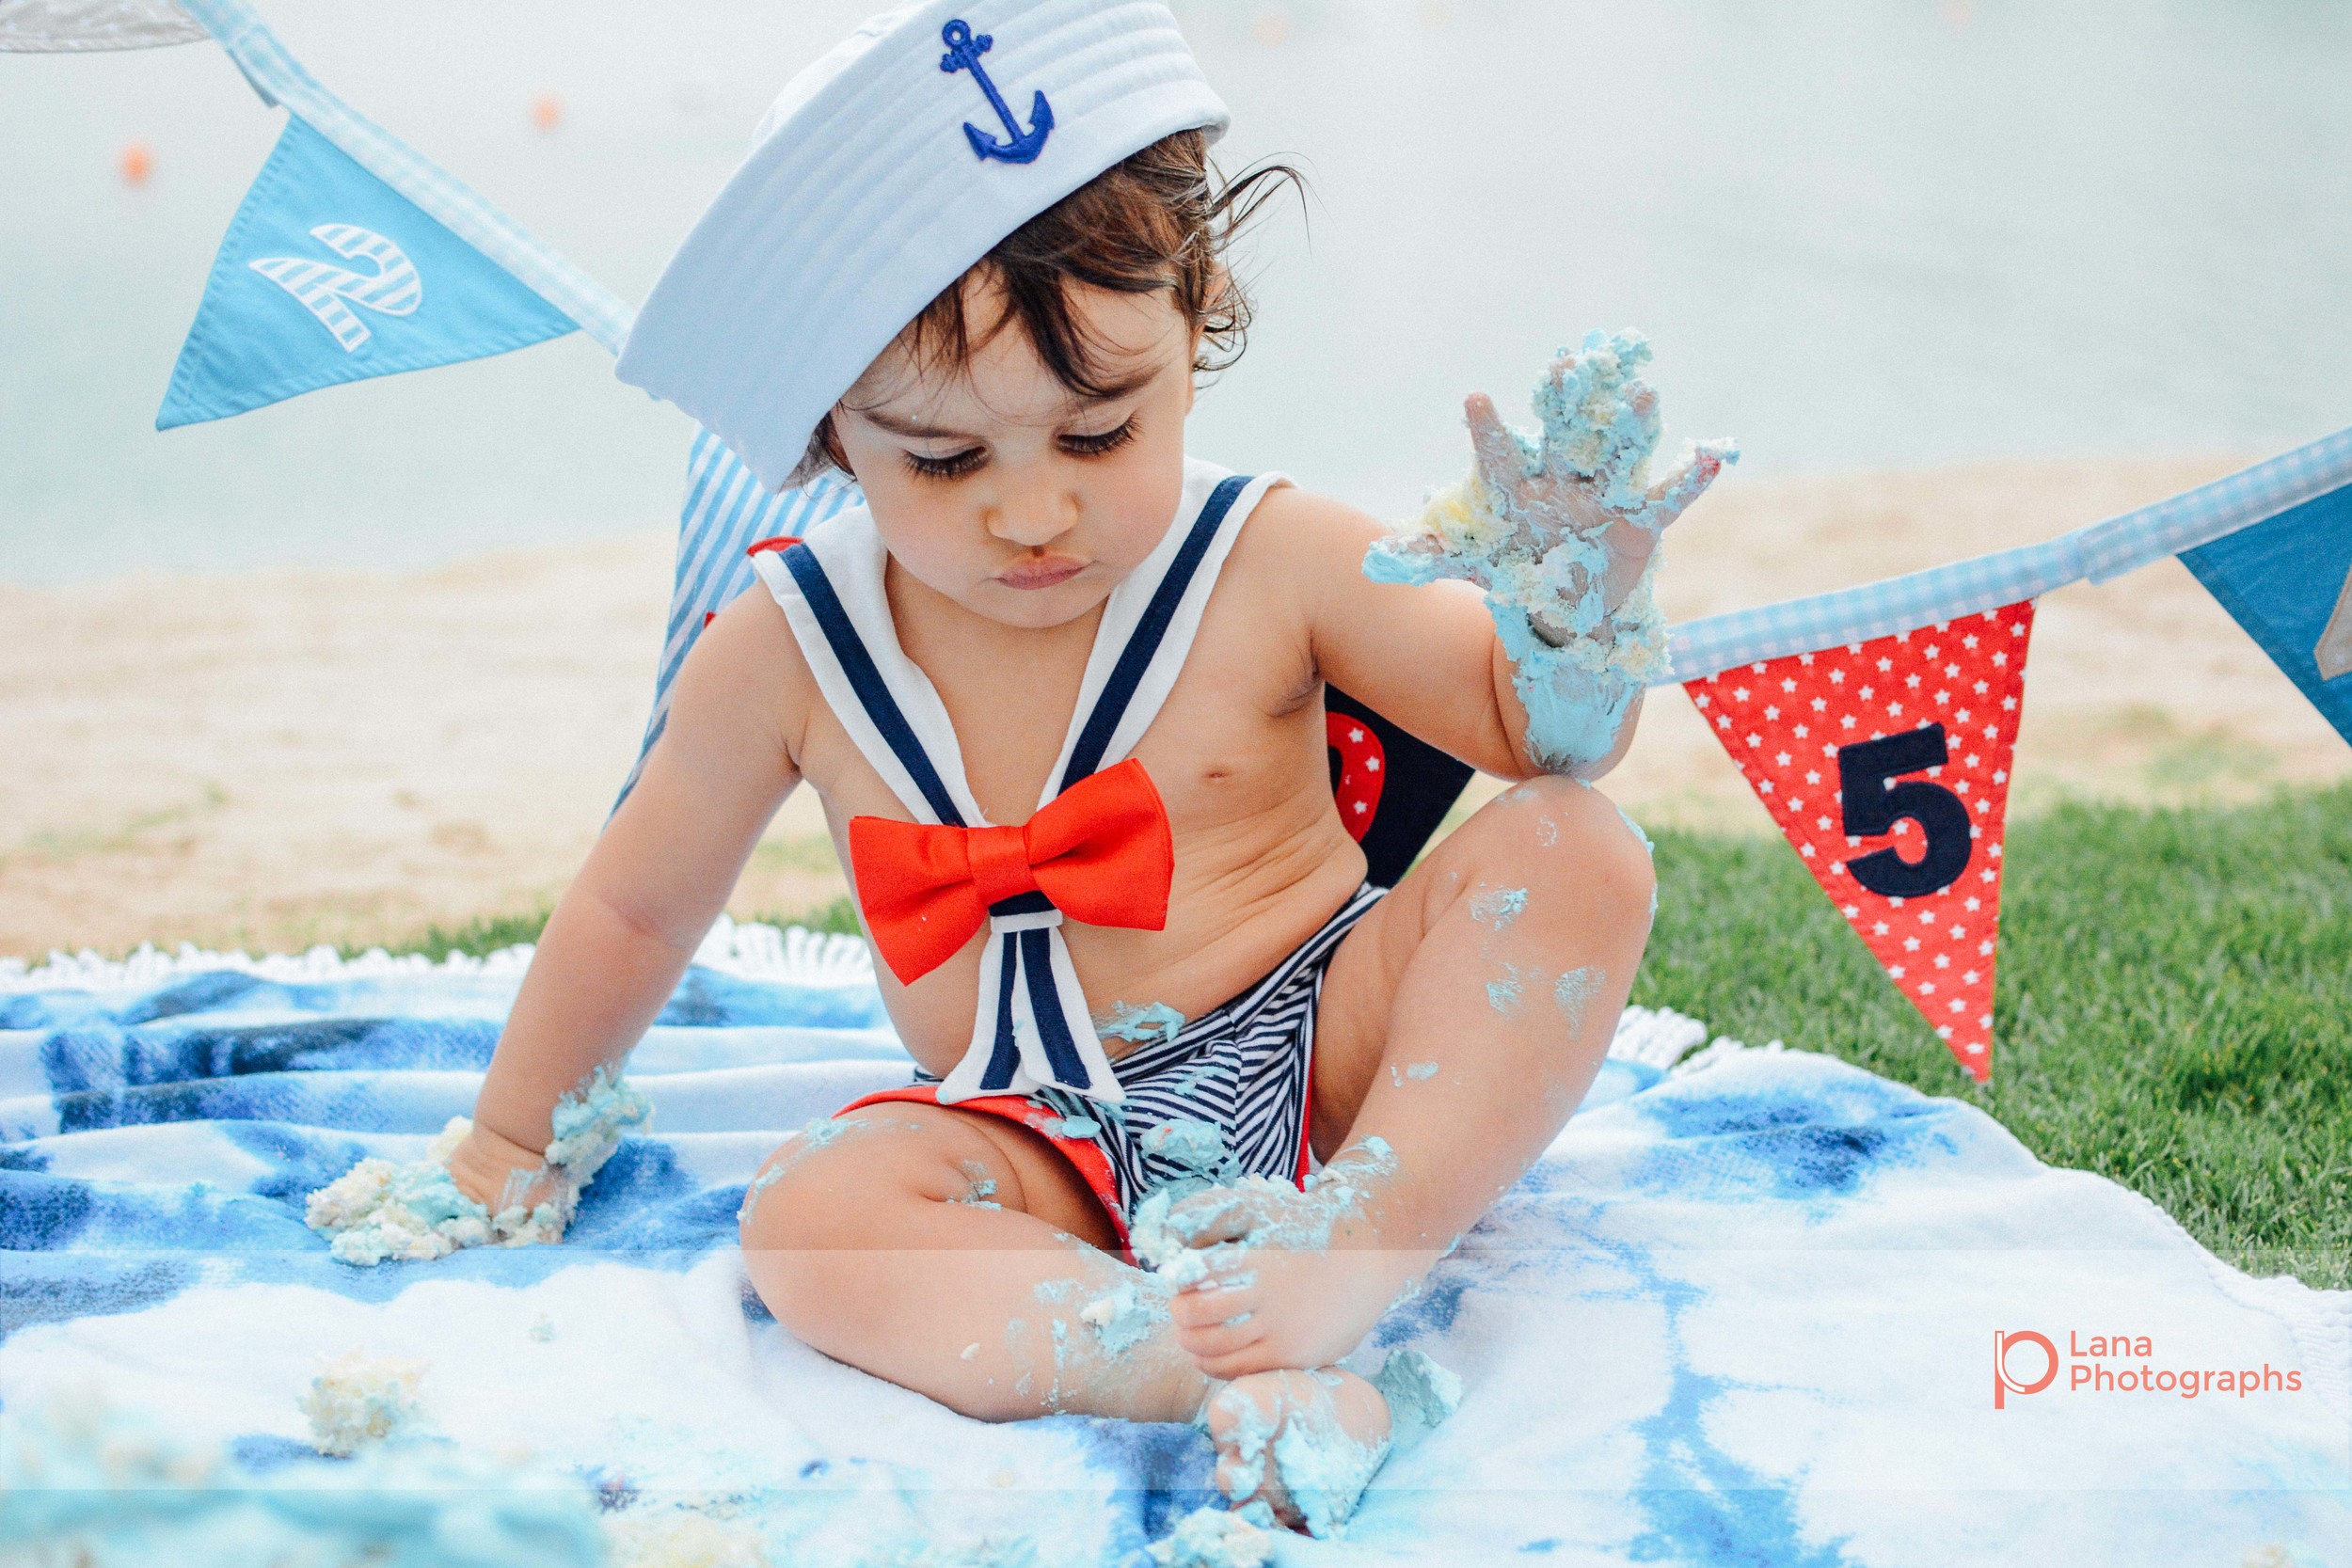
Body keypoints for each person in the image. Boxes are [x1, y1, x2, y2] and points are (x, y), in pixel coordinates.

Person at [440, 0, 1729, 1536]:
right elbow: (636, 912)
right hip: (1021, 1128)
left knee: (1577, 848)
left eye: (1100, 432)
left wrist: (1577, 616)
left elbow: (1543, 744)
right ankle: (1203, 1363)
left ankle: (1354, 1246)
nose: (1032, 512)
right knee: (806, 1222)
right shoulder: (784, 646)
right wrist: (513, 1136)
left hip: (1330, 1054)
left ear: (1196, 330)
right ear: (831, 433)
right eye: (944, 459)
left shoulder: (1274, 556)